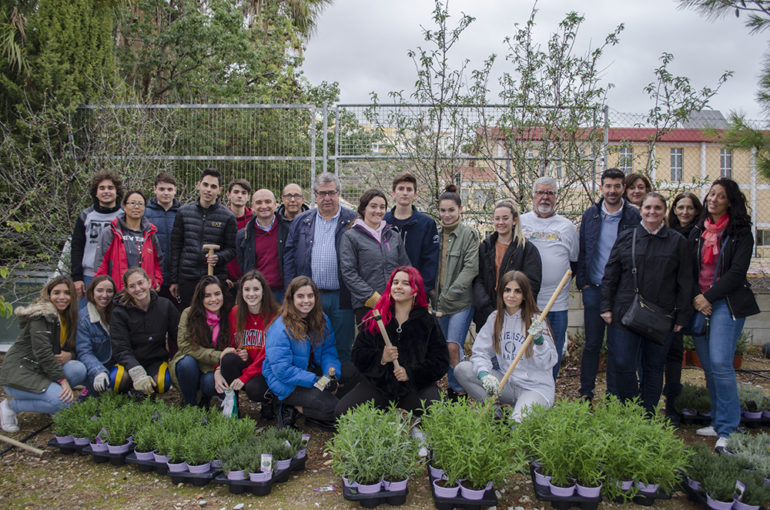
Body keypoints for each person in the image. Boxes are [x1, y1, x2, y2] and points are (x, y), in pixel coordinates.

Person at [599, 192, 693, 415]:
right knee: (622, 363)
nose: (652, 212)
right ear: (640, 210)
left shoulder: (677, 241)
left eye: (657, 208)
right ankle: (631, 410)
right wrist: (605, 306)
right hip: (625, 313)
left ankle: (648, 414)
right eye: (648, 207)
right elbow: (611, 274)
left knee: (653, 367)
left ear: (664, 212)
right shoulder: (627, 237)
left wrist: (681, 317)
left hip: (662, 316)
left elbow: (685, 282)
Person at [689, 178, 759, 451]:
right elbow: (690, 269)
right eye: (710, 194)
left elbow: (737, 273)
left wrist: (708, 297)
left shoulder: (741, 233)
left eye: (719, 196)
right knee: (708, 366)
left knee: (721, 364)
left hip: (725, 304)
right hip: (700, 303)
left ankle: (729, 427)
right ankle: (718, 422)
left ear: (730, 201)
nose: (712, 199)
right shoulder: (699, 230)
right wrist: (698, 297)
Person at [335, 267, 449, 417]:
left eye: (405, 283)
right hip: (380, 386)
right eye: (395, 282)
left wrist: (411, 373)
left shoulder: (427, 321)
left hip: (414, 387)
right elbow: (358, 354)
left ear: (415, 290)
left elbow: (441, 361)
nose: (399, 287)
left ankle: (417, 424)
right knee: (342, 412)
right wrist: (381, 358)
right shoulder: (377, 317)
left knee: (442, 413)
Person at [455, 271, 557, 422]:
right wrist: (484, 375)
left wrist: (539, 341)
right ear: (501, 292)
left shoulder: (536, 320)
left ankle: (523, 410)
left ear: (524, 295)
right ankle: (496, 414)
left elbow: (549, 362)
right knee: (462, 369)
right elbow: (479, 353)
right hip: (508, 384)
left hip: (534, 388)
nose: (511, 295)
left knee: (517, 425)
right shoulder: (495, 318)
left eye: (517, 291)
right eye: (507, 290)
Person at [575, 168, 641, 402]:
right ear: (601, 188)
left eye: (617, 186)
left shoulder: (634, 216)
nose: (612, 191)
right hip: (594, 288)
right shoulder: (591, 215)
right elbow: (583, 250)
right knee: (592, 344)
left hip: (621, 293)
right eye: (608, 186)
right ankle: (586, 392)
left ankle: (613, 394)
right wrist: (583, 283)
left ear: (624, 188)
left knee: (617, 346)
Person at [283, 172, 357, 362]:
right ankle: (315, 386)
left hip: (343, 296)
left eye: (331, 193)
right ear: (315, 195)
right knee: (310, 345)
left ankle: (342, 387)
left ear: (338, 193)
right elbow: (289, 256)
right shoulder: (302, 220)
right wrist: (292, 290)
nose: (327, 198)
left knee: (342, 346)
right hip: (310, 297)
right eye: (322, 193)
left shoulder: (353, 221)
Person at [262, 276, 352, 429]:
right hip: (287, 382)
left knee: (351, 375)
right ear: (291, 298)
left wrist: (331, 377)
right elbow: (282, 370)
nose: (306, 301)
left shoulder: (322, 319)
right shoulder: (280, 328)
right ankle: (294, 407)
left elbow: (328, 351)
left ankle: (306, 409)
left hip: (309, 373)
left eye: (310, 296)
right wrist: (317, 381)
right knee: (335, 409)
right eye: (300, 296)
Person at [0, 276, 87, 432]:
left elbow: (72, 347)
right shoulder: (42, 316)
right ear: (48, 295)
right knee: (64, 401)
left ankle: (51, 401)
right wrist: (62, 381)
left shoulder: (67, 317)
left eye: (67, 293)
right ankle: (10, 406)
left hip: (41, 370)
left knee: (78, 369)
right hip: (20, 373)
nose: (62, 297)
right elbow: (43, 353)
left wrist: (69, 355)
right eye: (56, 292)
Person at [521, 176, 578, 380]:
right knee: (525, 351)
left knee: (552, 351)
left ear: (556, 197)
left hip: (557, 305)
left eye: (550, 193)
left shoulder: (567, 227)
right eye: (540, 192)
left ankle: (548, 391)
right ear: (533, 196)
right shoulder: (520, 222)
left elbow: (574, 262)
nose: (545, 197)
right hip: (526, 303)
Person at [340, 189, 411, 324]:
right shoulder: (351, 237)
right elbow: (348, 272)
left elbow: (405, 267)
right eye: (373, 206)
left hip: (395, 302)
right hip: (367, 305)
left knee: (395, 344)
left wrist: (405, 293)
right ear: (363, 208)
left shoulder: (393, 235)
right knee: (372, 344)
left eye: (382, 207)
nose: (378, 211)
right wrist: (373, 298)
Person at [169, 168, 237, 308]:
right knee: (190, 317)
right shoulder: (183, 212)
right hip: (188, 278)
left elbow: (232, 249)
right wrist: (174, 280)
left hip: (214, 278)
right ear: (198, 185)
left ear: (219, 190)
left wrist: (218, 257)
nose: (208, 190)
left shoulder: (228, 217)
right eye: (205, 185)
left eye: (213, 186)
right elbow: (176, 247)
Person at [434, 184, 478, 398]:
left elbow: (471, 268)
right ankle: (449, 387)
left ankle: (461, 390)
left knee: (454, 346)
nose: (447, 214)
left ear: (460, 209)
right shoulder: (435, 234)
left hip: (459, 302)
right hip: (438, 304)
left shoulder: (469, 235)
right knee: (442, 347)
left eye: (451, 210)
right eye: (443, 210)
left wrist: (450, 293)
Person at [663, 191, 703, 424]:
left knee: (680, 356)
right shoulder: (668, 235)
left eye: (689, 208)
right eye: (680, 207)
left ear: (696, 210)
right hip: (672, 304)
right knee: (670, 354)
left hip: (696, 301)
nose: (685, 212)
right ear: (674, 210)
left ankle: (676, 405)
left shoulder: (701, 235)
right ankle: (669, 407)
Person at [473, 200, 541, 329]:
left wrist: (513, 306)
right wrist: (486, 307)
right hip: (488, 314)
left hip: (516, 314)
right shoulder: (485, 247)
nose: (500, 223)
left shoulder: (527, 249)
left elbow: (532, 283)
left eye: (505, 218)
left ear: (514, 220)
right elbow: (477, 279)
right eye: (497, 219)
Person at [110, 268, 179, 394]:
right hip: (129, 362)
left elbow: (179, 336)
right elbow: (121, 348)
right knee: (118, 379)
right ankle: (126, 398)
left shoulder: (165, 305)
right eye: (132, 286)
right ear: (126, 289)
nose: (137, 289)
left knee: (162, 382)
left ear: (149, 282)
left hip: (155, 360)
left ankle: (149, 398)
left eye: (140, 283)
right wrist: (136, 372)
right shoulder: (119, 312)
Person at [223, 270, 281, 420]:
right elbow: (231, 343)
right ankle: (232, 405)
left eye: (256, 289)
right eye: (247, 289)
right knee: (229, 359)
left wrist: (245, 377)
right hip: (247, 366)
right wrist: (239, 352)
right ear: (241, 292)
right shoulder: (235, 313)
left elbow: (269, 354)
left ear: (263, 291)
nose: (251, 294)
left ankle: (268, 404)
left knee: (254, 389)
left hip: (266, 369)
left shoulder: (275, 315)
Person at [169, 276, 232, 406]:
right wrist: (218, 355)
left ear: (223, 294)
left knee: (209, 382)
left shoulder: (229, 315)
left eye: (217, 294)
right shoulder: (189, 314)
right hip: (192, 363)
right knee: (187, 364)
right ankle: (190, 404)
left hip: (213, 368)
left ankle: (204, 400)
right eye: (207, 295)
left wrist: (219, 368)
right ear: (200, 298)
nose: (213, 299)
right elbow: (185, 346)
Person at [71, 171, 124, 305]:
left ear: (117, 192)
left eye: (110, 188)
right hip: (89, 276)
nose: (106, 191)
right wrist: (77, 278)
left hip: (117, 276)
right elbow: (77, 247)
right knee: (86, 317)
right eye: (102, 188)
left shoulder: (125, 216)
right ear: (96, 193)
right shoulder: (86, 215)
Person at [93, 190, 163, 292]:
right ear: (124, 207)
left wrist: (157, 280)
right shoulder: (112, 231)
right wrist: (103, 287)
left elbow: (158, 261)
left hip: (144, 292)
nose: (136, 207)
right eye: (132, 203)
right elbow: (101, 263)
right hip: (118, 290)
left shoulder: (150, 233)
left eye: (140, 204)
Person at [384, 172, 440, 293]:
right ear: (393, 193)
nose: (405, 193)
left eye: (409, 189)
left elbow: (430, 261)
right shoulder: (383, 222)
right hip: (386, 290)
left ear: (415, 195)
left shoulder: (427, 224)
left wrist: (421, 290)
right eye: (401, 189)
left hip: (416, 291)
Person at [236, 189, 289, 303]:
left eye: (268, 202)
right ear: (252, 206)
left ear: (275, 204)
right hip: (257, 294)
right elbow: (242, 263)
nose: (264, 206)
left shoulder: (288, 230)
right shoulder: (243, 235)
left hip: (284, 293)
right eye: (259, 202)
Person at [75, 275, 116, 395]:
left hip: (115, 366)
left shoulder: (117, 314)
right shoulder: (83, 319)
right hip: (94, 367)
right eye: (100, 290)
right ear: (92, 292)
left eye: (109, 291)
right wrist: (98, 371)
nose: (104, 295)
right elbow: (84, 352)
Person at [145, 172, 180, 305]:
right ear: (154, 189)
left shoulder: (182, 213)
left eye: (169, 189)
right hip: (152, 277)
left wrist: (176, 278)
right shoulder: (145, 214)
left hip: (174, 278)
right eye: (162, 189)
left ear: (175, 190)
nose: (166, 193)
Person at [225, 178, 253, 289]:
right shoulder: (221, 218)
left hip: (249, 279)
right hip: (226, 280)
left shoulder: (254, 221)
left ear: (248, 197)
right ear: (228, 195)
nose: (240, 195)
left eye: (244, 193)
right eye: (236, 192)